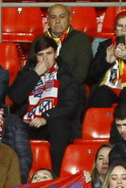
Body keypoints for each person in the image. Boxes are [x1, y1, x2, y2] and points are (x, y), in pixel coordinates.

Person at [11, 34, 84, 179]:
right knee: (11, 122)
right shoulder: (27, 73)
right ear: (35, 57)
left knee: (60, 123)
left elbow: (70, 106)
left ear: (56, 54)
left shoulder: (66, 76)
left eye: (49, 53)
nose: (45, 59)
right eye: (41, 55)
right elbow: (15, 98)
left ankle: (56, 176)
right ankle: (17, 179)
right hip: (26, 125)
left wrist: (46, 118)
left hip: (50, 125)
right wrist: (35, 75)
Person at [34, 4, 95, 87]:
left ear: (70, 19)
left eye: (62, 17)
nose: (57, 21)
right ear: (48, 21)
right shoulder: (39, 40)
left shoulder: (81, 39)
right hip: (41, 89)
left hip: (71, 88)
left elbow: (81, 73)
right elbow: (30, 68)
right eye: (53, 17)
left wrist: (58, 87)